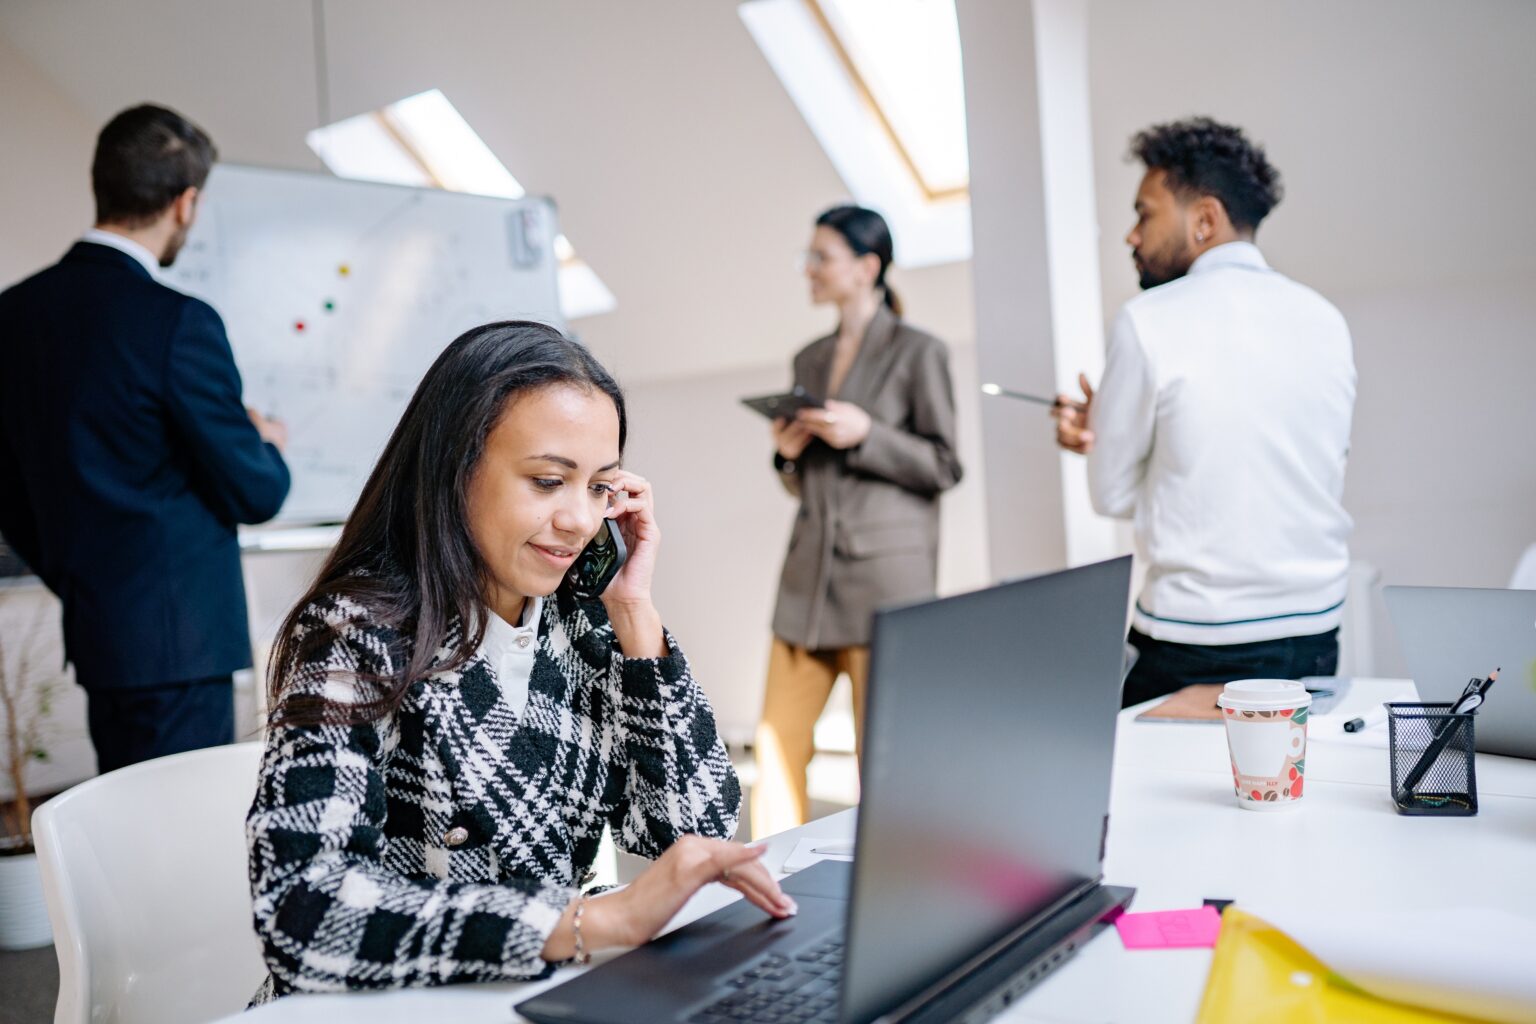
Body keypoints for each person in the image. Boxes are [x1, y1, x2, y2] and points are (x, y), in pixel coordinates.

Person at [246, 321, 791, 1000]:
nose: (580, 520)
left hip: (540, 994)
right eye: (547, 481)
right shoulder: (354, 632)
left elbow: (695, 828)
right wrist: (590, 921)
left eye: (599, 487)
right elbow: (303, 913)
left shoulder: (585, 618)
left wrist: (634, 611)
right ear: (454, 469)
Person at [0, 104, 289, 772]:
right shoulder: (176, 323)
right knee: (173, 849)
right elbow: (258, 491)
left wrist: (80, 577)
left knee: (124, 837)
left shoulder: (12, 317)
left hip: (101, 634)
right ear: (185, 204)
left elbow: (9, 487)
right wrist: (263, 438)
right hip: (182, 646)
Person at [1053, 117, 1356, 708]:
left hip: (1193, 641)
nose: (1130, 236)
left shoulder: (1149, 320)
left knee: (1145, 797)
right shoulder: (1325, 319)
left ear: (1205, 219)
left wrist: (1107, 429)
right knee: (1278, 796)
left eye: (1144, 213)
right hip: (1313, 631)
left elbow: (1111, 495)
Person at [753, 205, 963, 838]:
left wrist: (867, 432)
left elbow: (944, 465)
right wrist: (785, 456)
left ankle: (891, 887)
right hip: (806, 582)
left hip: (885, 586)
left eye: (822, 257)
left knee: (888, 765)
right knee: (776, 749)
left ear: (867, 266)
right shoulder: (808, 359)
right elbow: (805, 481)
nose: (810, 269)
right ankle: (771, 888)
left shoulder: (919, 351)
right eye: (809, 257)